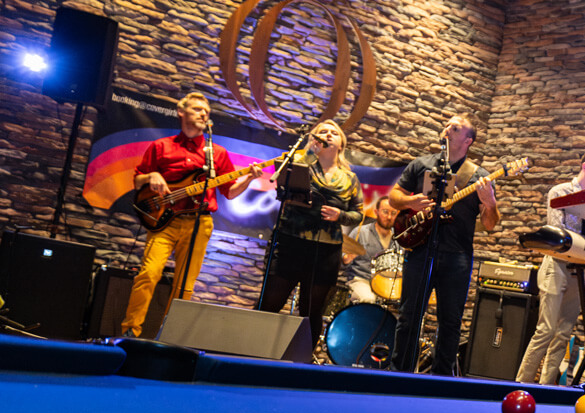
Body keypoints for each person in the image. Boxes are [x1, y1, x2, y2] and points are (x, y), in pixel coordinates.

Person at [122, 92, 261, 337]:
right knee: (148, 274)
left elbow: (229, 192)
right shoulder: (161, 146)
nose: (203, 114)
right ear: (181, 112)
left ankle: (167, 337)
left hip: (200, 222)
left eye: (206, 112)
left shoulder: (216, 153)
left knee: (185, 285)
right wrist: (151, 177)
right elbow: (137, 181)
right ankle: (129, 332)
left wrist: (248, 178)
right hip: (164, 222)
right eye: (197, 109)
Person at [388, 113, 499, 374]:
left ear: (468, 140)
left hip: (457, 256)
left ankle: (441, 378)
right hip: (420, 251)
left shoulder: (479, 176)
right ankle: (398, 373)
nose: (447, 128)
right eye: (447, 124)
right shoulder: (421, 164)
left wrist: (491, 202)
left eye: (455, 127)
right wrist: (409, 202)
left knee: (450, 321)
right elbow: (393, 198)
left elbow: (491, 223)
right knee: (408, 316)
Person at [257, 120, 364, 347]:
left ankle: (302, 361)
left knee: (311, 311)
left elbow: (358, 214)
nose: (328, 134)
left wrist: (340, 215)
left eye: (334, 132)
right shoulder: (297, 162)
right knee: (270, 302)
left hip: (326, 251)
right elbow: (283, 190)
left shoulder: (350, 178)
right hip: (290, 243)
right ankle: (249, 355)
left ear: (342, 144)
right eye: (322, 131)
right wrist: (308, 153)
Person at [516, 149, 585, 385]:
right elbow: (555, 232)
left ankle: (547, 388)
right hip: (557, 265)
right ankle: (520, 384)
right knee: (546, 330)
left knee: (563, 334)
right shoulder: (559, 192)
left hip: (581, 270)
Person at [345, 196, 401, 304]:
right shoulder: (360, 232)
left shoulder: (399, 237)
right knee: (368, 300)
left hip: (388, 284)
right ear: (376, 212)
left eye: (393, 213)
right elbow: (343, 263)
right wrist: (346, 259)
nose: (389, 217)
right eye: (385, 212)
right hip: (361, 280)